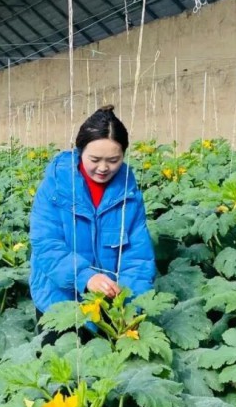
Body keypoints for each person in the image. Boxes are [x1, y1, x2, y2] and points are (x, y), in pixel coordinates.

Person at [29, 105, 155, 321]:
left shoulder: (130, 194)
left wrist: (129, 302)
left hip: (111, 305)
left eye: (113, 160)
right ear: (80, 153)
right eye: (95, 160)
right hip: (58, 301)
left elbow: (138, 257)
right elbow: (46, 244)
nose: (103, 168)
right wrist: (85, 277)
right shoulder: (55, 188)